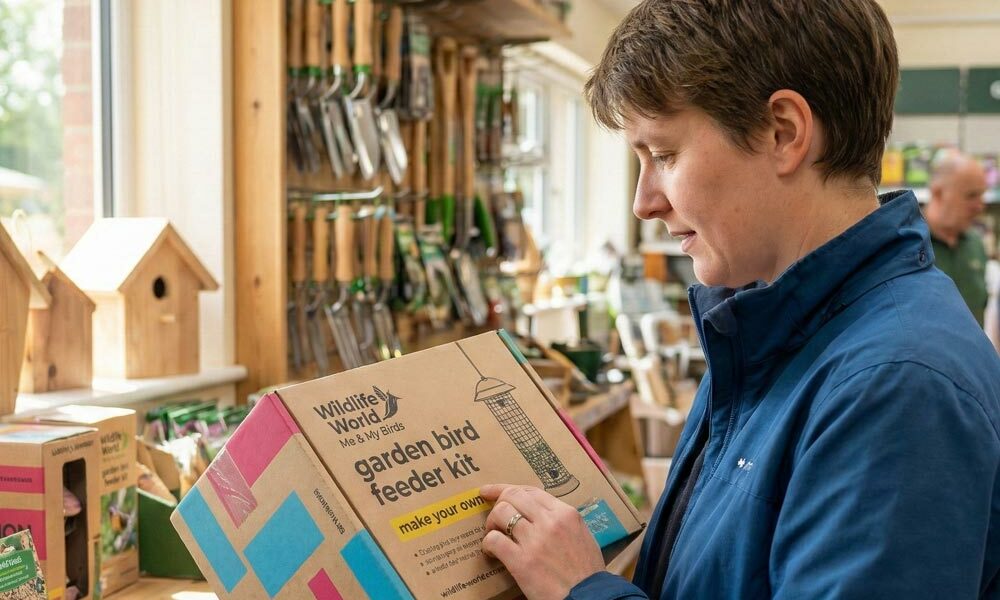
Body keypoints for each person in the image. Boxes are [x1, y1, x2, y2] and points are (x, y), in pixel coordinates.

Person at [479, 1, 1000, 599]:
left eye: (666, 155)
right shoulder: (770, 326)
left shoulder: (897, 387)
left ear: (783, 132)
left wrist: (582, 590)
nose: (644, 201)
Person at [925, 151, 990, 326]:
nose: (980, 206)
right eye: (971, 196)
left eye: (982, 195)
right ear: (938, 193)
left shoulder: (975, 244)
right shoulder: (909, 244)